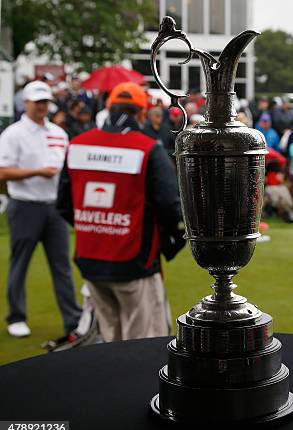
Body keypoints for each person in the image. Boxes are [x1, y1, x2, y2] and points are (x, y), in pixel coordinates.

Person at [56, 82, 185, 342]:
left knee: (110, 344)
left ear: (108, 108)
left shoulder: (78, 145)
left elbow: (63, 205)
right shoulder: (148, 148)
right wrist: (171, 240)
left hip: (91, 260)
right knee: (143, 347)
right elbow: (170, 205)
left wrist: (95, 225)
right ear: (141, 114)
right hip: (134, 262)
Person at [0, 80, 82, 337]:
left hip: (54, 208)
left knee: (62, 266)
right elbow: (2, 171)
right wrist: (36, 171)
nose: (41, 106)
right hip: (25, 205)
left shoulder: (58, 133)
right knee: (20, 262)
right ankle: (16, 316)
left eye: (45, 101)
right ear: (25, 103)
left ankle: (73, 320)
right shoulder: (13, 134)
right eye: (37, 102)